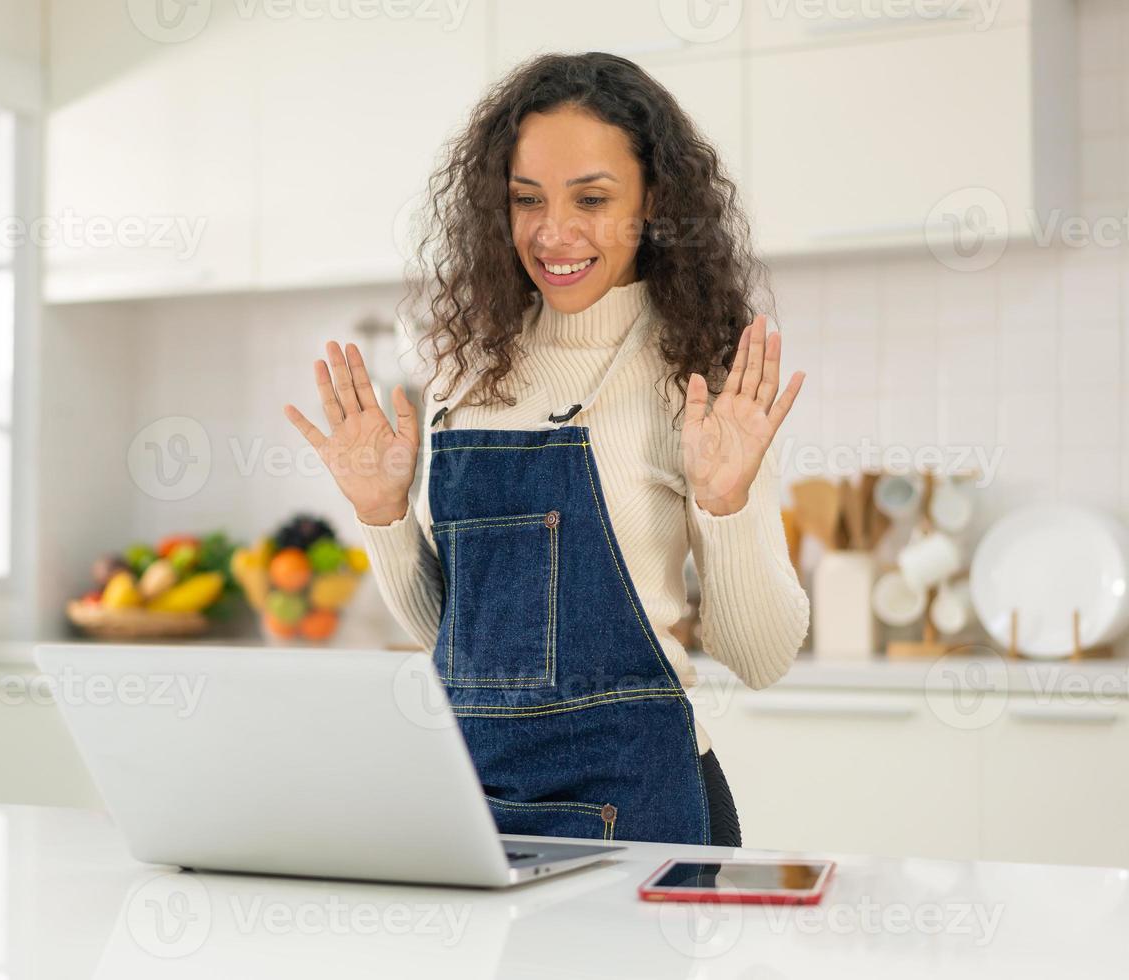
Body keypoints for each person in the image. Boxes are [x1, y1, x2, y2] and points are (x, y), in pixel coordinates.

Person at [284, 52, 808, 847]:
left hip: (643, 811)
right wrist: (383, 516)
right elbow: (463, 644)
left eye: (592, 199)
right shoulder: (467, 367)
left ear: (654, 202)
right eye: (527, 201)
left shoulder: (699, 378)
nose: (553, 234)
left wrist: (725, 503)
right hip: (477, 810)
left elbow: (762, 657)